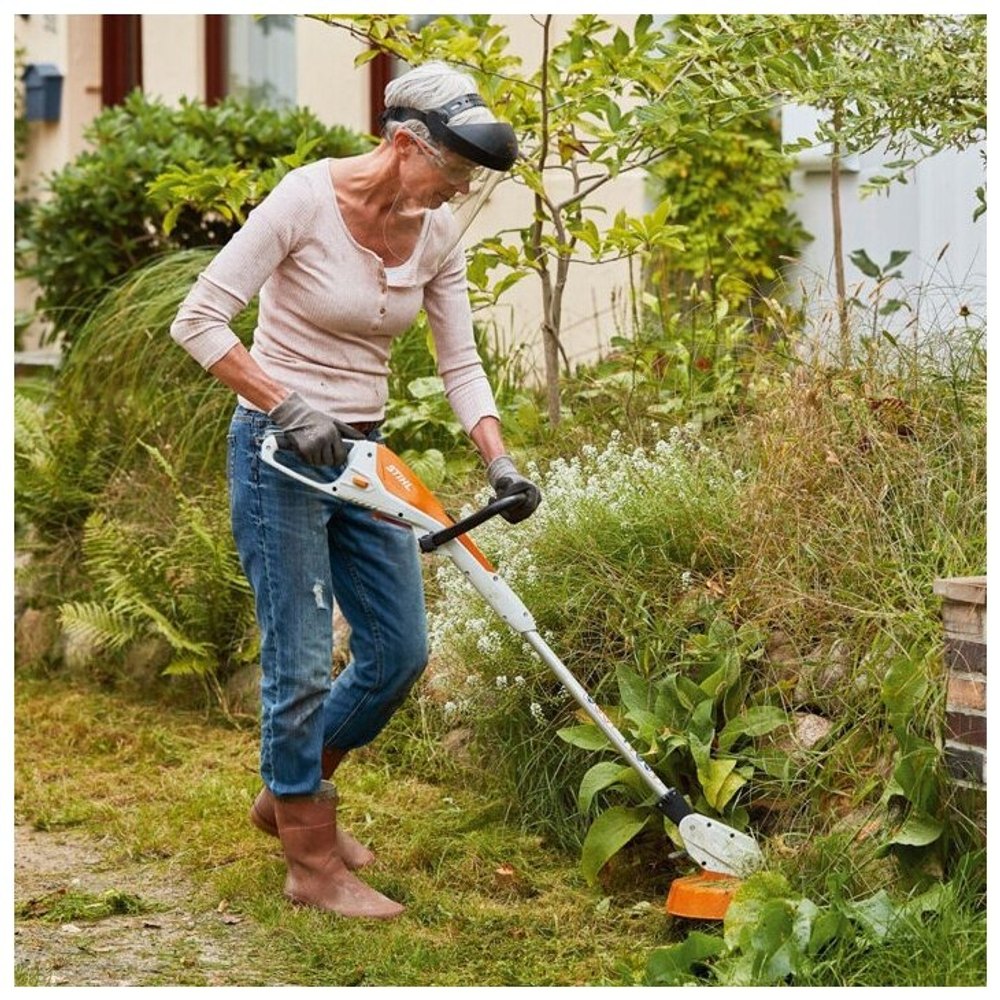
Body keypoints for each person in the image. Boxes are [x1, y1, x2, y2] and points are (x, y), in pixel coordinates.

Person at [170, 62, 540, 920]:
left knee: (398, 650)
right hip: (281, 451)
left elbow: (461, 362)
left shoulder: (435, 233)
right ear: (404, 145)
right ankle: (310, 861)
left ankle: (285, 793)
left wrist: (499, 460)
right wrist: (284, 403)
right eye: (450, 172)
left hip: (364, 458)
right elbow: (197, 319)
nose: (456, 193)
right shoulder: (304, 200)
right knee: (299, 661)